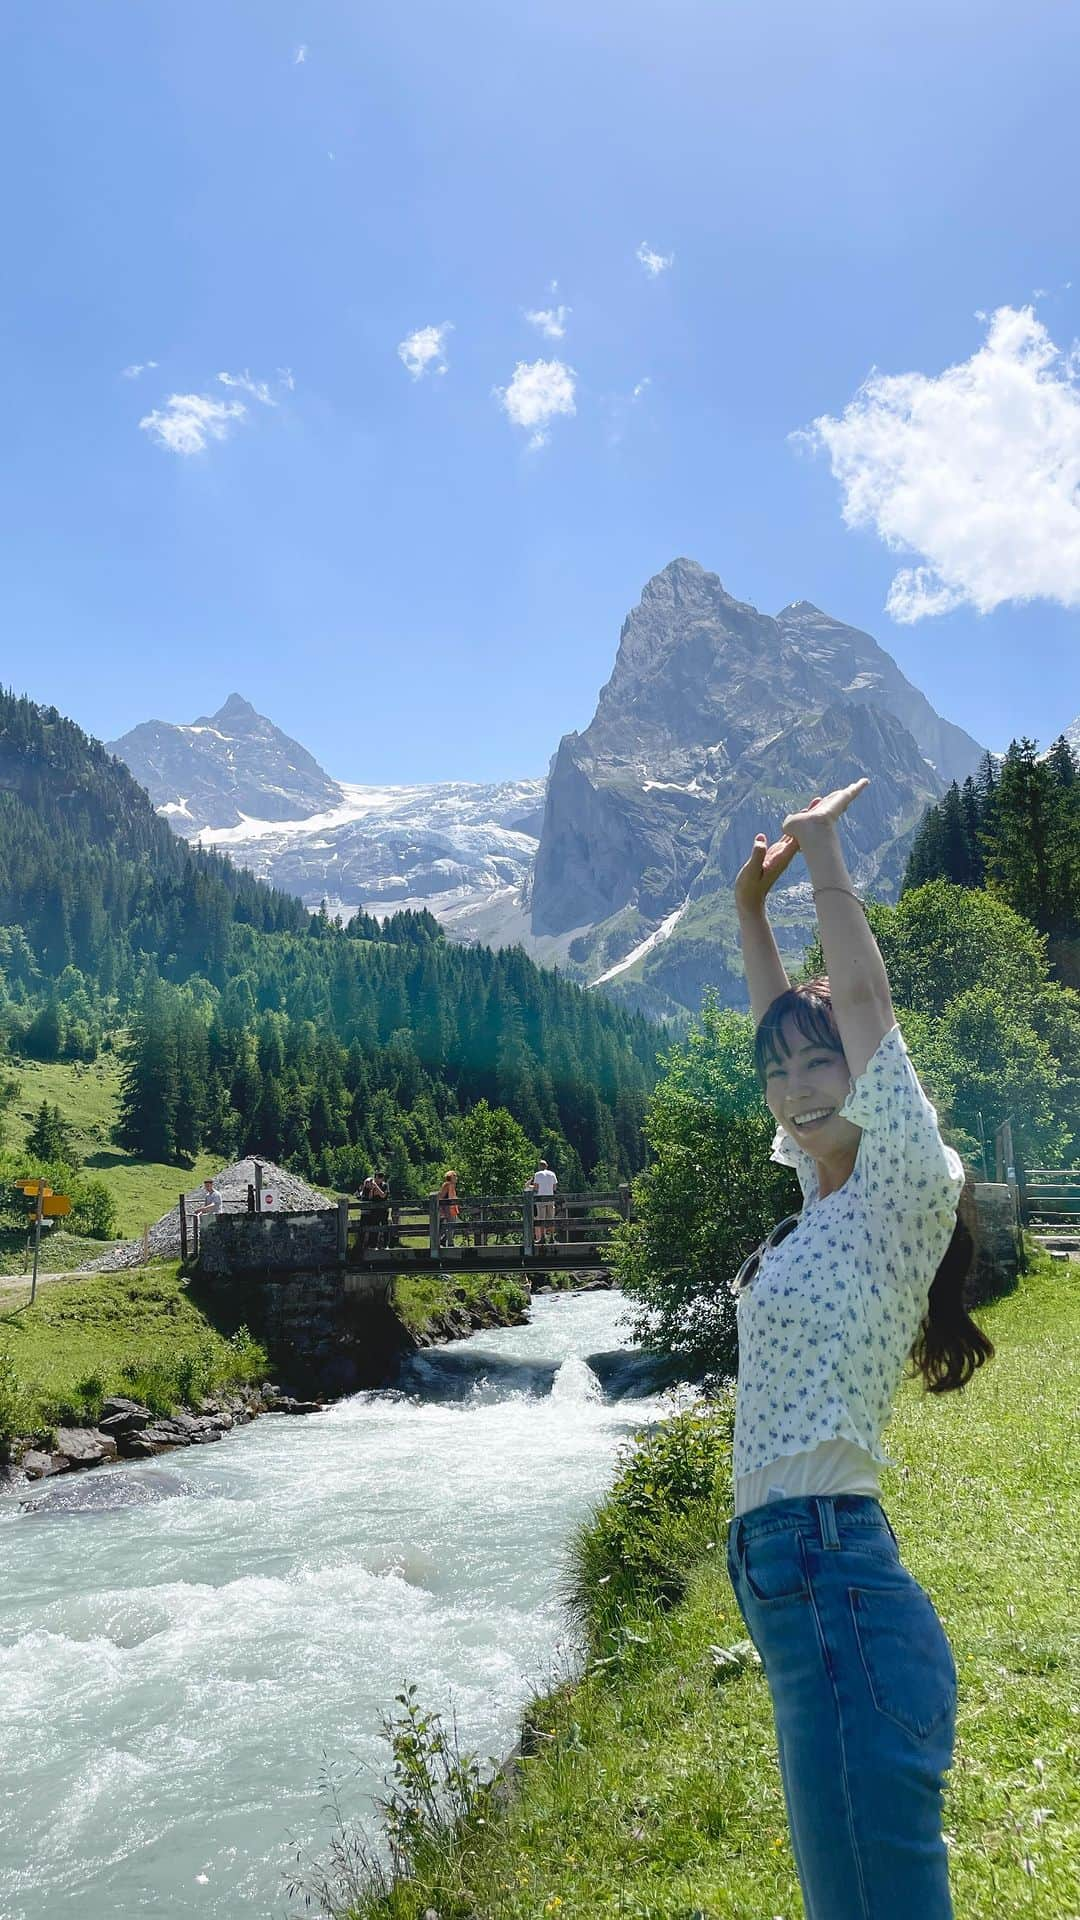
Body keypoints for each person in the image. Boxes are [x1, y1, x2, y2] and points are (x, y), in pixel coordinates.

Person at [729, 777, 994, 1920]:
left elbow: (867, 1004)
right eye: (781, 1074)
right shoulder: (819, 1194)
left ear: (871, 1081)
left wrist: (826, 860)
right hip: (804, 1594)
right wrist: (750, 915)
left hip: (834, 1586)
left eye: (820, 1068)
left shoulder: (900, 1188)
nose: (795, 1092)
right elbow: (785, 1023)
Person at [528, 1159, 558, 1247]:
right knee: (551, 1219)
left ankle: (542, 1238)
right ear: (547, 1166)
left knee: (541, 1219)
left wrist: (529, 1186)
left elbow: (536, 1188)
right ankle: (552, 1238)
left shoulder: (537, 1174)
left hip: (541, 1199)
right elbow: (554, 1188)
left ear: (539, 1166)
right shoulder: (552, 1174)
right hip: (550, 1199)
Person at [436, 1170, 459, 1250]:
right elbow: (441, 1197)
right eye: (454, 1176)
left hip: (453, 1209)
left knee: (452, 1227)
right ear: (451, 1177)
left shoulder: (452, 1186)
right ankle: (450, 1244)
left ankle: (443, 1240)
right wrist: (444, 1209)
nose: (456, 1178)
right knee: (449, 1226)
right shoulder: (447, 1185)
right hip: (448, 1209)